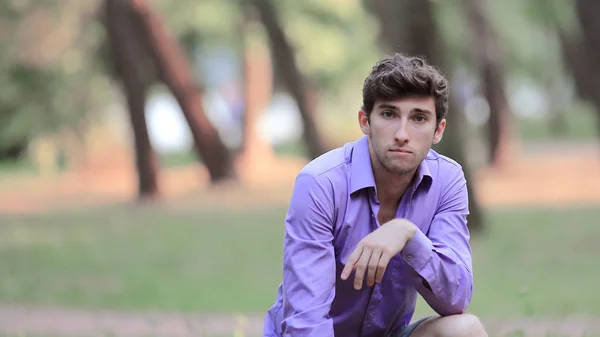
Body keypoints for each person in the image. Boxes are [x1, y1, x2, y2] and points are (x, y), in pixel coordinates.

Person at [263, 53, 488, 337]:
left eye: (419, 118)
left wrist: (408, 234)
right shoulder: (321, 183)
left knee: (464, 330)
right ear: (365, 121)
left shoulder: (447, 180)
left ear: (438, 130)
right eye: (389, 114)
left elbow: (456, 299)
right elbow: (306, 322)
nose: (402, 134)